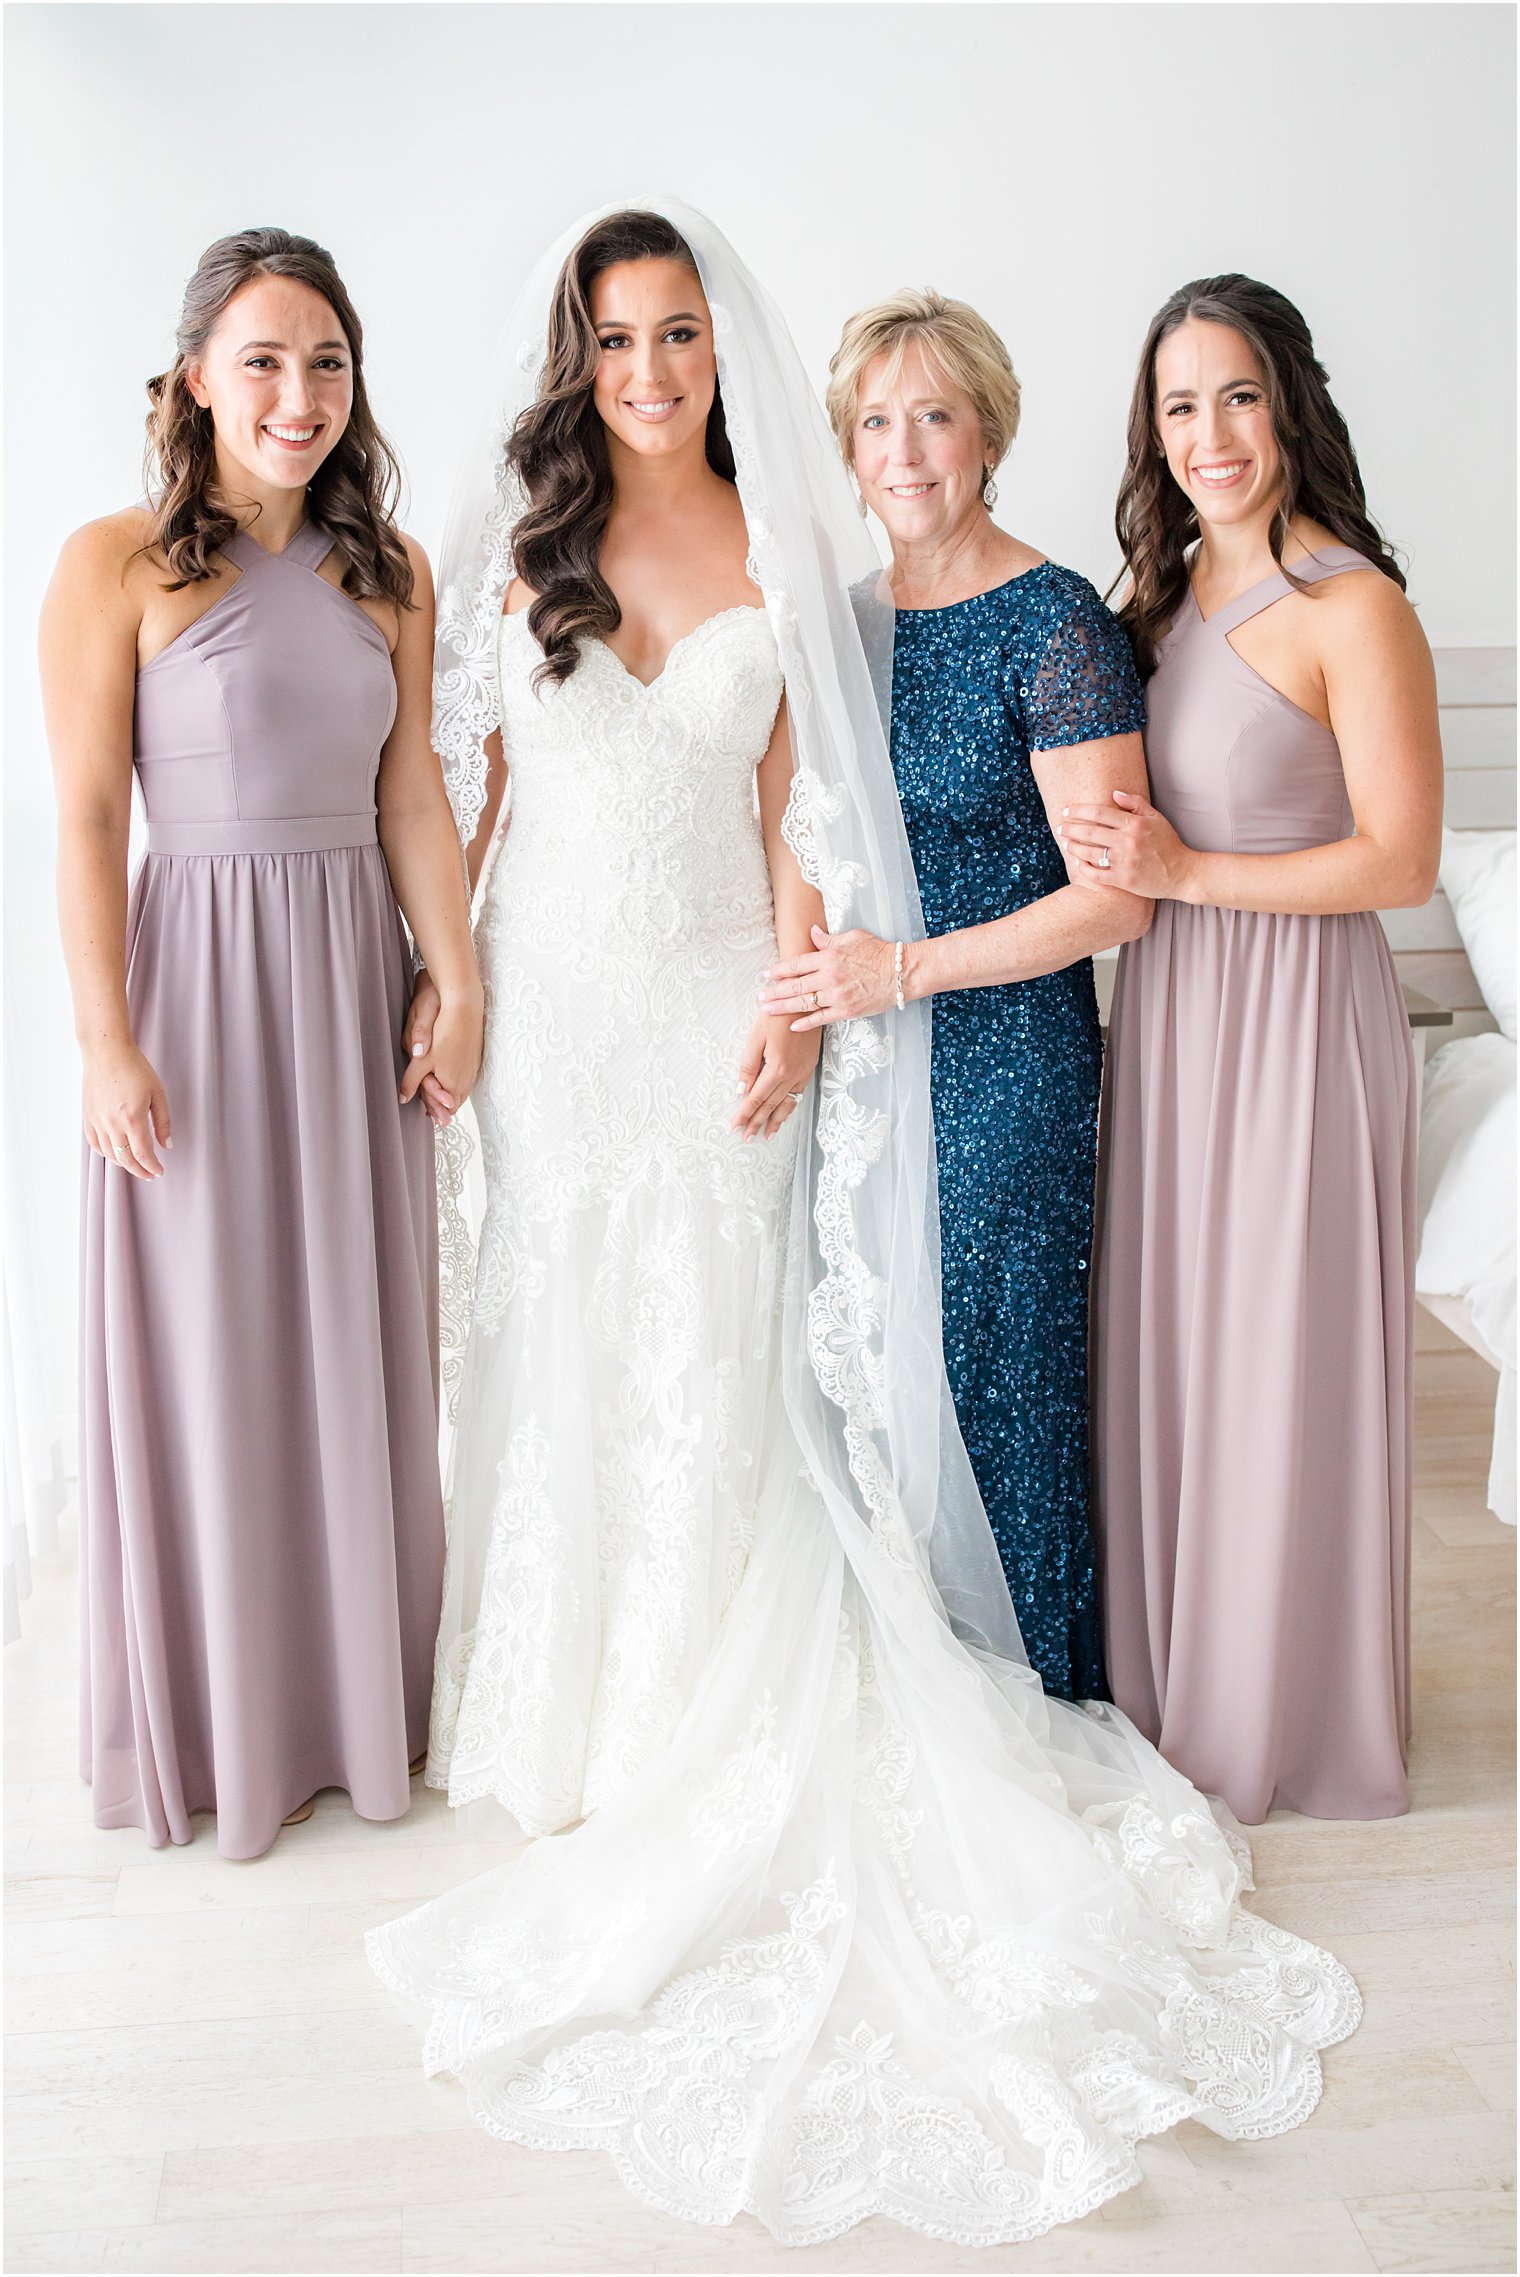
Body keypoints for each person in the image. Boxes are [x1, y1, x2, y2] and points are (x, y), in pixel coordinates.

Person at [369, 203, 1359, 2252]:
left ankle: (972, 1681)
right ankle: (569, 1704)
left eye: (680, 337)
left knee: (752, 1363)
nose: (652, 369)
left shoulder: (867, 582)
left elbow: (794, 834)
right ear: (584, 355)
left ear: (973, 426)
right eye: (618, 339)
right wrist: (454, 977)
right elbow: (468, 791)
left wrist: (807, 1001)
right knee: (578, 1345)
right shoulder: (623, 563)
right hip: (573, 1013)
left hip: (802, 1014)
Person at [42, 227, 481, 1859]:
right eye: (264, 362)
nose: (298, 397)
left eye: (326, 363)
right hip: (196, 999)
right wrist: (104, 1039)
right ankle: (221, 1719)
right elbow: (88, 813)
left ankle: (356, 1706)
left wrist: (459, 977)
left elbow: (414, 791)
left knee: (352, 1347)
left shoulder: (395, 570)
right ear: (195, 382)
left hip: (350, 990)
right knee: (213, 1350)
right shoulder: (111, 566)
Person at [1067, 274, 1442, 1823]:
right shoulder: (1146, 608)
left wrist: (1188, 877)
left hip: (1298, 1020)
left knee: (1276, 1354)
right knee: (1179, 1342)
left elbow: (1402, 861)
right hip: (1172, 1018)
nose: (1210, 434)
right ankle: (1172, 1680)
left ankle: (1283, 1707)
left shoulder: (1354, 605)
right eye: (1178, 404)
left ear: (1287, 403)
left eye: (1236, 396)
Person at [759, 290, 1151, 1699]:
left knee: (996, 1369)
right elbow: (799, 828)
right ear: (846, 450)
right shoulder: (838, 629)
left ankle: (1033, 1692)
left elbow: (1115, 896)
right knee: (869, 1366)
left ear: (987, 432)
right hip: (864, 1062)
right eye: (876, 422)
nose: (905, 451)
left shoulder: (1055, 625)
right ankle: (908, 1690)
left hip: (1010, 1053)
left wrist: (903, 972)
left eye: (933, 416)